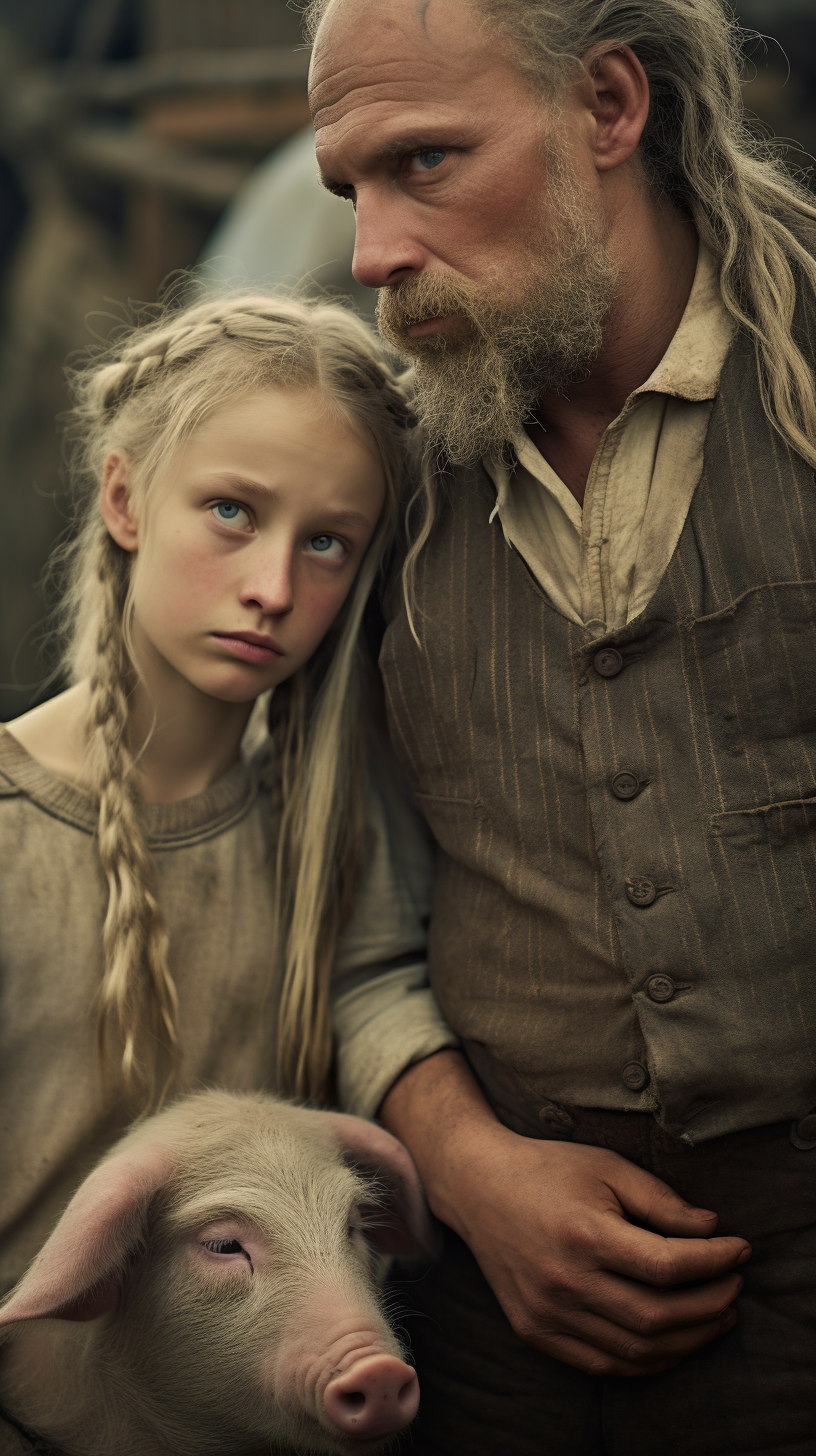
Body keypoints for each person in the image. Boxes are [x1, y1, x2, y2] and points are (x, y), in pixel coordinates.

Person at [305, 0, 816, 1451]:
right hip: (494, 1316)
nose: (372, 255)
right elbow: (340, 913)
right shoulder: (375, 477)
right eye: (352, 187)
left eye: (426, 162)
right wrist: (468, 1169)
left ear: (605, 108)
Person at [0, 291, 456, 1321]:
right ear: (123, 500)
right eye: (233, 512)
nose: (273, 586)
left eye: (329, 542)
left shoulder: (331, 825)